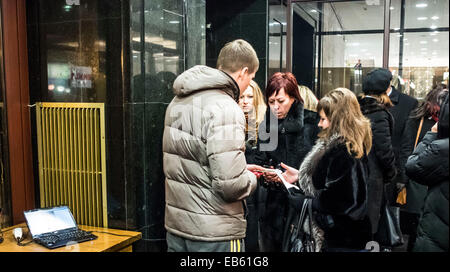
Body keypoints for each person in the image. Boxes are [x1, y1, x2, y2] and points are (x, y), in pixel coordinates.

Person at [162, 39, 259, 252]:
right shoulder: (226, 107)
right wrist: (251, 179)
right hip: (215, 233)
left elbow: (190, 165)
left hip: (178, 229)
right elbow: (230, 186)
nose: (248, 85)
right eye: (251, 78)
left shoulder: (177, 102)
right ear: (243, 72)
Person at [269, 87, 373, 251]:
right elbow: (334, 182)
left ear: (339, 120)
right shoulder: (339, 145)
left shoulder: (345, 150)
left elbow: (345, 201)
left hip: (340, 239)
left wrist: (304, 202)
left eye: (324, 119)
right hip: (339, 236)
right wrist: (300, 176)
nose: (319, 123)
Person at [253, 72, 320, 252]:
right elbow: (260, 159)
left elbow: (321, 167)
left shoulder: (312, 122)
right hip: (272, 206)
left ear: (293, 98)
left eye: (280, 101)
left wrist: (300, 177)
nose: (275, 107)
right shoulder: (267, 126)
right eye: (271, 101)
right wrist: (267, 174)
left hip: (303, 205)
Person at [399, 85, 448, 251]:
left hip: (435, 188)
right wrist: (403, 181)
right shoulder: (417, 120)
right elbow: (408, 150)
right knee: (415, 227)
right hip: (418, 183)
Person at [358, 68, 397, 244]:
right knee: (371, 231)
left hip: (357, 176)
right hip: (373, 179)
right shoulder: (379, 114)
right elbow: (384, 151)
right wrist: (391, 173)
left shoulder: (358, 110)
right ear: (386, 89)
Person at [238, 80, 266, 252]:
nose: (246, 101)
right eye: (241, 97)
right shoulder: (229, 123)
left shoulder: (265, 126)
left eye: (250, 97)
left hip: (261, 193)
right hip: (239, 192)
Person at [388, 74, 418, 200]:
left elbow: (408, 142)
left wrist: (402, 177)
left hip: (393, 171)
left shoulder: (408, 103)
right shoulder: (363, 102)